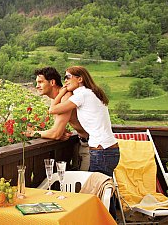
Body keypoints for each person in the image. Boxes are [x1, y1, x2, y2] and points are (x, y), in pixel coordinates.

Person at [49, 65, 119, 219]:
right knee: (106, 192)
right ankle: (111, 221)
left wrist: (62, 91)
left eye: (68, 77)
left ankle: (107, 221)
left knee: (100, 193)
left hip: (102, 151)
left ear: (80, 79)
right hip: (108, 150)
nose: (65, 81)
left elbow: (52, 109)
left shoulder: (82, 95)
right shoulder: (90, 93)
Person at [26, 67, 90, 171]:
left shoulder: (66, 97)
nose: (37, 86)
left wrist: (32, 133)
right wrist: (60, 132)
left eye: (40, 82)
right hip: (81, 142)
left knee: (86, 184)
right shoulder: (56, 100)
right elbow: (58, 131)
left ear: (52, 82)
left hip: (92, 145)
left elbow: (55, 134)